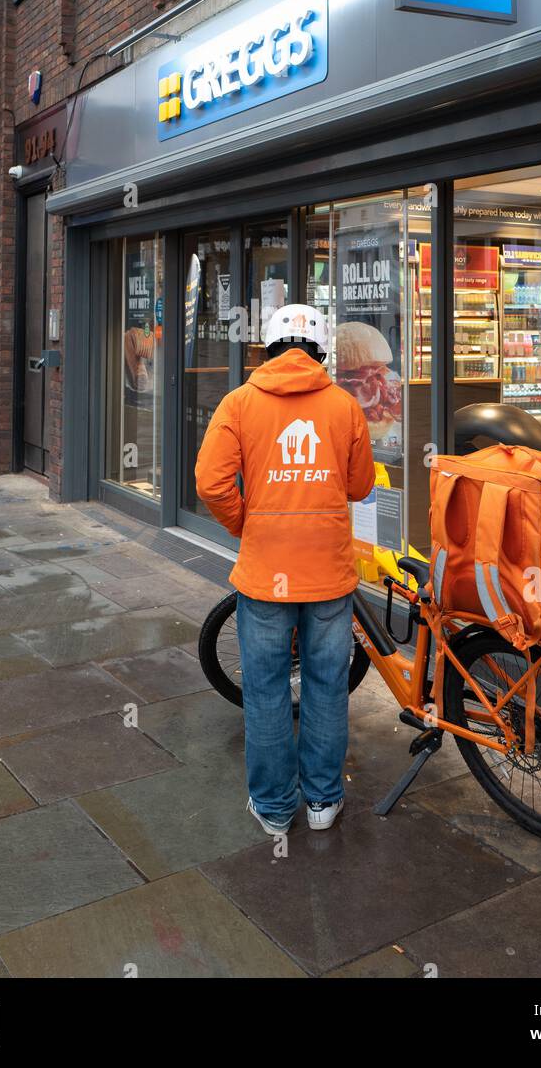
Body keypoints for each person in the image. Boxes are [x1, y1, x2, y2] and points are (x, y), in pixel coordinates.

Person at [195, 304, 375, 835]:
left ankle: (274, 808)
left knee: (267, 687)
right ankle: (322, 802)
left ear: (267, 347)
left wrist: (245, 523)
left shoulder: (239, 403)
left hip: (264, 571)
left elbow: (211, 482)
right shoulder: (344, 407)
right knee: (326, 684)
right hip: (327, 573)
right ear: (320, 351)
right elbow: (360, 486)